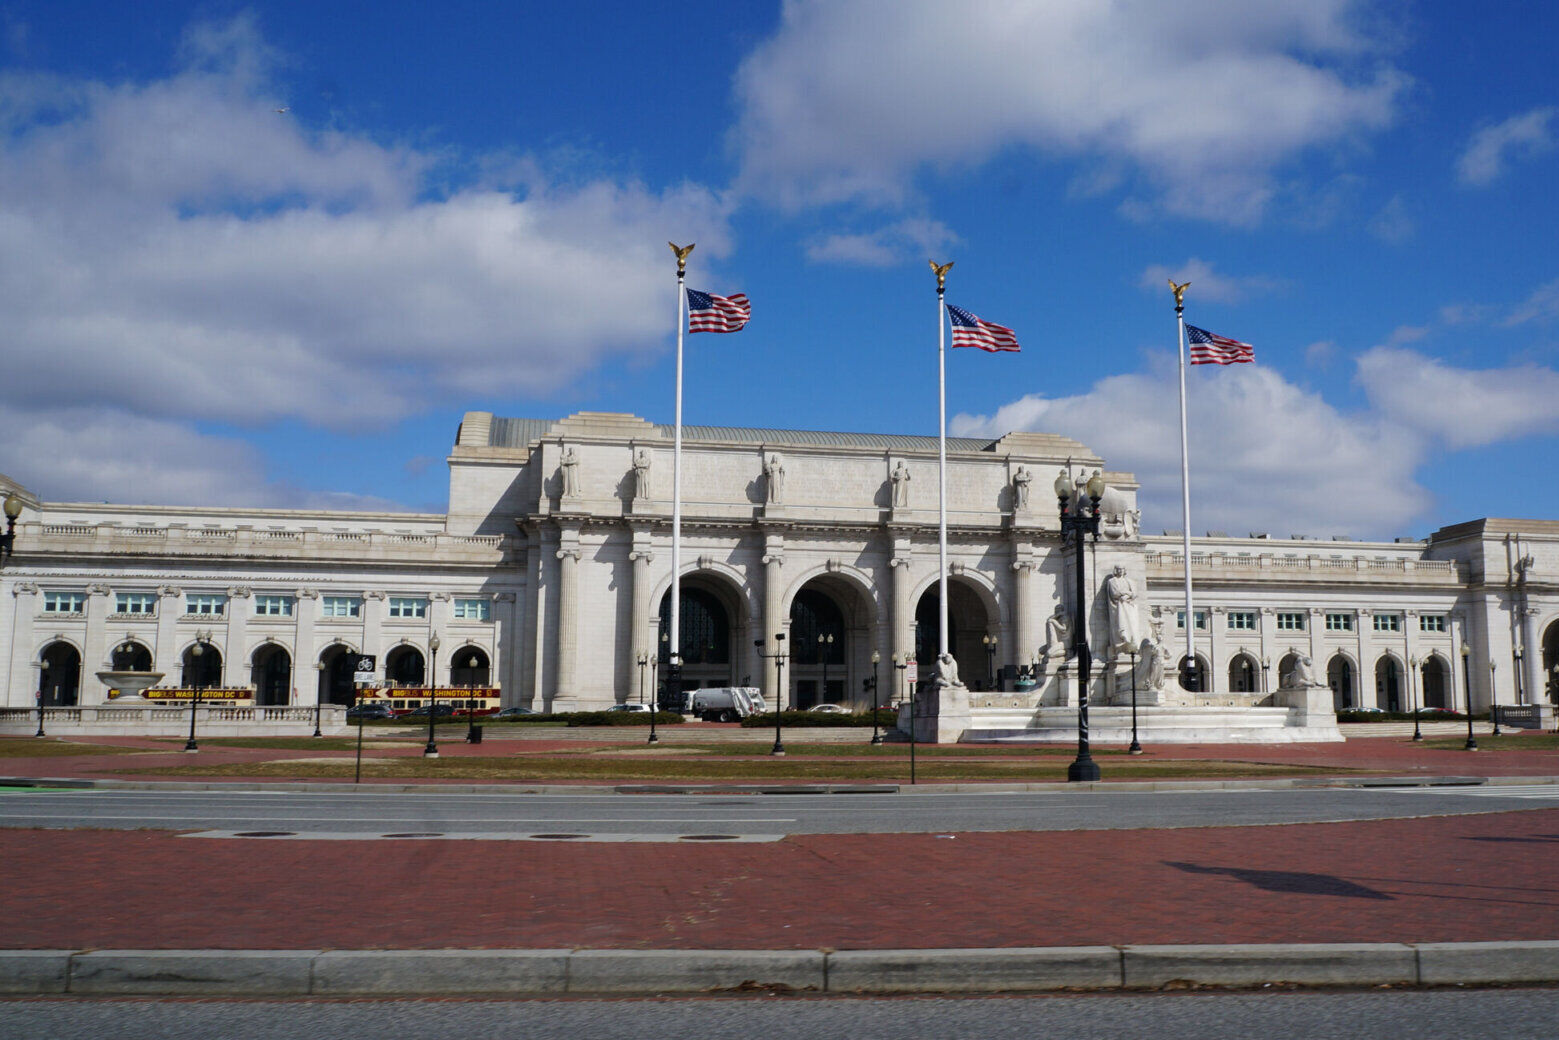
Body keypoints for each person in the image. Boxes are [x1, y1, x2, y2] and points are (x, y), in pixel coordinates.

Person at [1105, 565, 1145, 653]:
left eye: (1122, 569)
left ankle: (1132, 644)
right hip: (1119, 607)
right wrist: (1127, 593)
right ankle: (1123, 643)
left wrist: (1127, 595)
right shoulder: (1112, 581)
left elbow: (1134, 593)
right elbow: (1115, 593)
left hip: (1130, 607)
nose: (1120, 571)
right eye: (1118, 569)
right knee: (1122, 624)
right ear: (1116, 570)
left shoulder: (1129, 581)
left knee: (1132, 626)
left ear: (1124, 570)